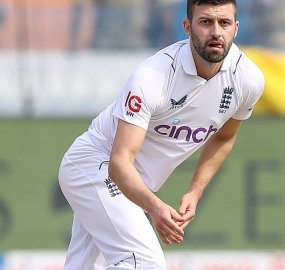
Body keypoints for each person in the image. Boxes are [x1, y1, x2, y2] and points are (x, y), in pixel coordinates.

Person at [58, 0, 265, 268]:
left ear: (236, 28)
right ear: (188, 27)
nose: (216, 32)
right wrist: (155, 208)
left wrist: (195, 191)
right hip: (96, 167)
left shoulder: (248, 80)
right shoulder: (152, 76)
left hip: (129, 184)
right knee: (145, 263)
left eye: (224, 23)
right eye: (205, 22)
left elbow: (224, 138)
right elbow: (119, 162)